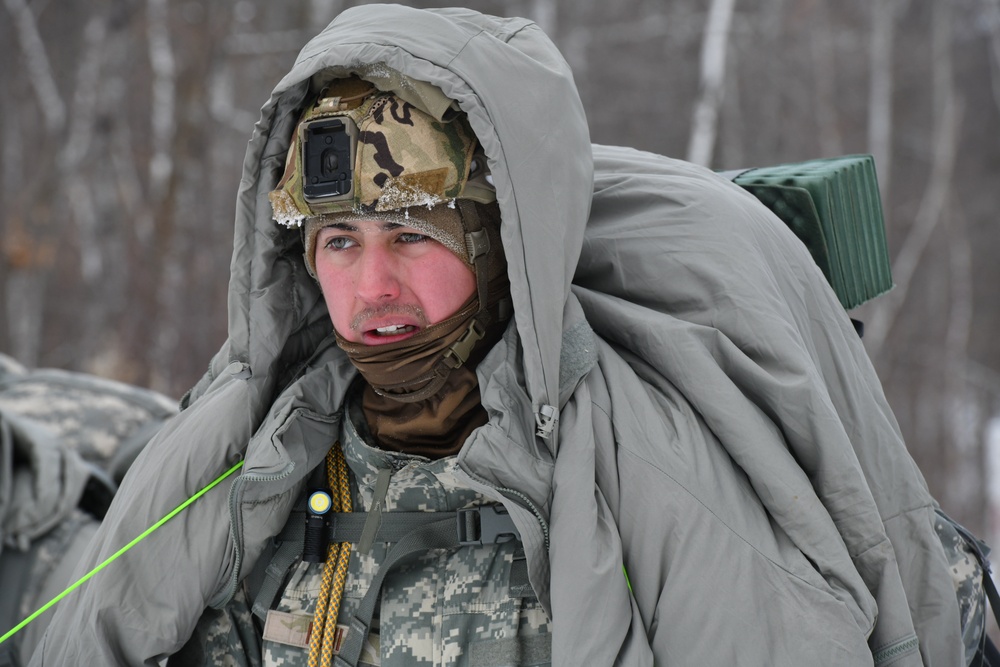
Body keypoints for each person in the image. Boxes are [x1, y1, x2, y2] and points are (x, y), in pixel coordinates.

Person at [27, 5, 987, 666]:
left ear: (495, 249)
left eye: (411, 233)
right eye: (339, 242)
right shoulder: (250, 476)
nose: (372, 287)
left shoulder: (635, 476)